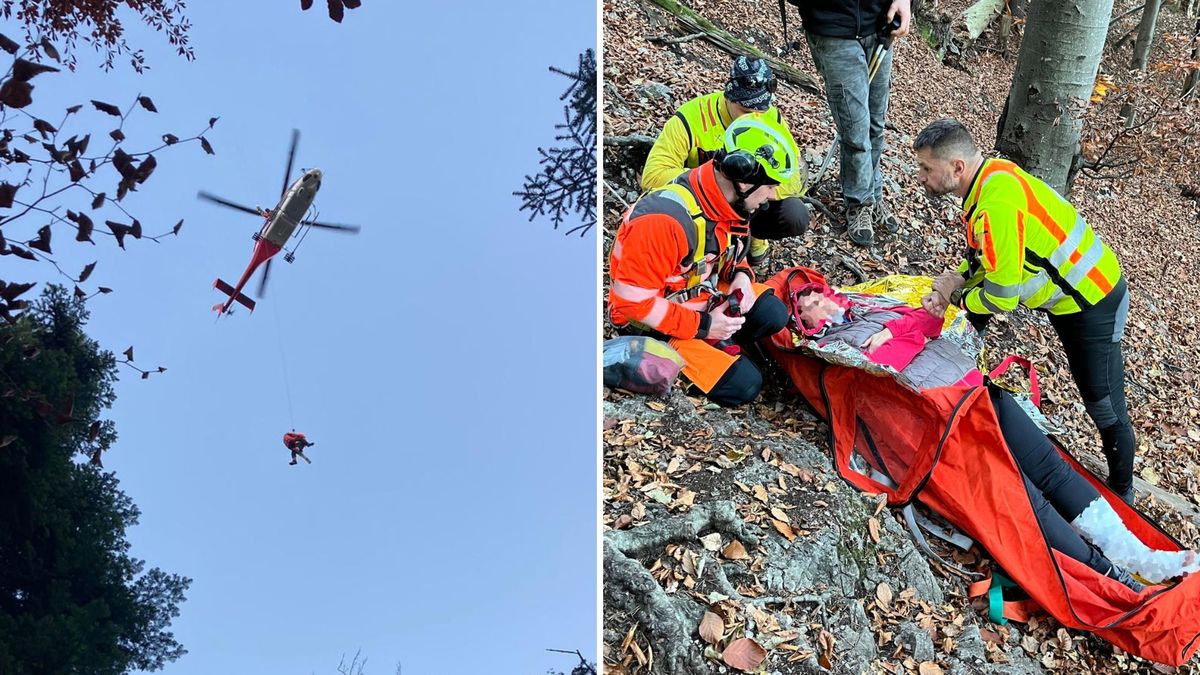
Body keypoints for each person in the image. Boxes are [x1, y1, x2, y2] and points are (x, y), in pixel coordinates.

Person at [789, 281, 1196, 591]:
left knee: (1054, 472)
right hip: (953, 421)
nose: (815, 304)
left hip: (980, 392)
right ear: (804, 324)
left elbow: (929, 321)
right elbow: (885, 367)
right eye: (804, 308)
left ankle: (1138, 554)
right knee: (1026, 501)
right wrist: (901, 335)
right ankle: (1114, 577)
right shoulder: (833, 342)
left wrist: (899, 330)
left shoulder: (871, 306)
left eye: (815, 295)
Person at [912, 119, 1136, 504]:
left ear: (957, 168)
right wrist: (959, 279)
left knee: (1103, 403)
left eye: (927, 168)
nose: (920, 177)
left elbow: (1001, 297)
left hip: (1094, 301)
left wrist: (956, 296)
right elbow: (992, 258)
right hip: (1068, 298)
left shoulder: (995, 205)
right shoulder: (988, 180)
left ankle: (1122, 494)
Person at [610, 113, 796, 407]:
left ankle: (721, 340)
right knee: (745, 386)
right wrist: (705, 326)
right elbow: (631, 306)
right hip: (654, 325)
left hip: (698, 297)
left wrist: (742, 277)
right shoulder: (662, 222)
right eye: (770, 185)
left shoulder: (726, 200)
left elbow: (733, 252)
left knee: (773, 313)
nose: (772, 196)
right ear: (745, 180)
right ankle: (697, 348)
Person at [641, 55, 810, 267]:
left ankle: (753, 238)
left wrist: (759, 190)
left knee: (795, 213)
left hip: (750, 206)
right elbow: (653, 175)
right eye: (746, 112)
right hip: (703, 208)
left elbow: (795, 175)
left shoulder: (771, 120)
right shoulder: (692, 118)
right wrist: (717, 181)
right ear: (729, 97)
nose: (754, 119)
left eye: (761, 112)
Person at [796, 0, 911, 246]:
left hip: (880, 24)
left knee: (876, 124)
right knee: (855, 130)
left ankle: (873, 192)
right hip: (833, 29)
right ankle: (860, 202)